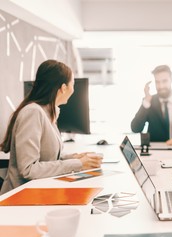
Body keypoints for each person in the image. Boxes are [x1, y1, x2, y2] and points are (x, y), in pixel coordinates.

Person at [0, 60, 102, 195]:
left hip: (36, 192)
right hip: (19, 197)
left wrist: (76, 158)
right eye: (73, 84)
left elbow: (48, 158)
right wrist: (78, 164)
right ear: (63, 88)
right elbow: (28, 169)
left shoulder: (49, 113)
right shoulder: (33, 113)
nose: (73, 89)